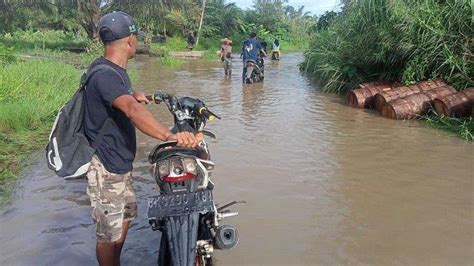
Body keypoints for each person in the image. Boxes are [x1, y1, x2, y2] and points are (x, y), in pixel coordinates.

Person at [84, 12, 199, 266]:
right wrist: (171, 136)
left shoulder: (113, 71)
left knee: (123, 223)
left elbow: (122, 99)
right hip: (106, 168)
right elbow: (132, 111)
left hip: (120, 165)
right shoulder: (105, 75)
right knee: (108, 236)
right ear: (130, 40)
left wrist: (135, 94)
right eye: (136, 37)